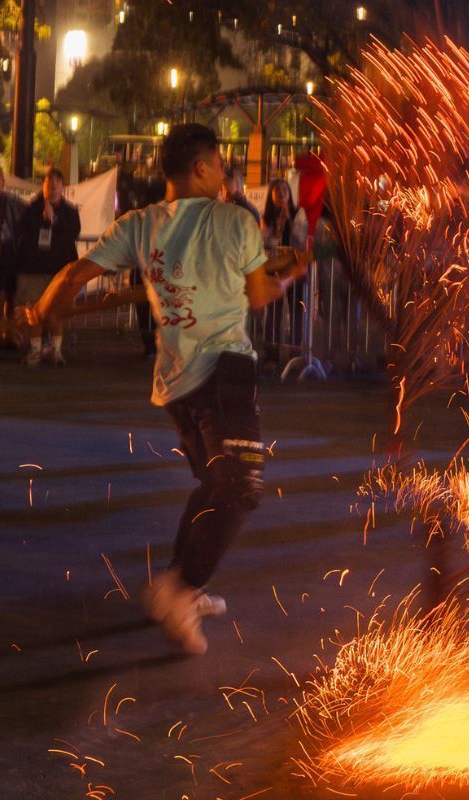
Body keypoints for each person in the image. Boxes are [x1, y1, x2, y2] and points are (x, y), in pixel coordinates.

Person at [25, 124, 308, 655]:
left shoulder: (139, 224)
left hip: (177, 380)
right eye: (221, 163)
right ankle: (180, 589)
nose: (226, 172)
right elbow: (260, 294)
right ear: (200, 168)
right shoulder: (234, 220)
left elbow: (74, 273)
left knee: (214, 483)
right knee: (240, 484)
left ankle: (182, 585)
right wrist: (288, 276)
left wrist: (44, 307)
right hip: (225, 368)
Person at [17, 168, 80, 366]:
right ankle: (35, 351)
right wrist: (42, 218)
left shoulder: (70, 211)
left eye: (56, 183)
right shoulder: (30, 209)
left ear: (62, 187)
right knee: (34, 310)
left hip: (59, 270)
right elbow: (23, 234)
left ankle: (56, 351)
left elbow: (73, 233)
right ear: (42, 185)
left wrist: (54, 220)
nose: (52, 187)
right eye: (48, 183)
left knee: (56, 311)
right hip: (34, 268)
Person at [260, 178, 309, 369]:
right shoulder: (267, 217)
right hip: (274, 270)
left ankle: (295, 353)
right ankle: (271, 354)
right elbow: (265, 241)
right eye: (277, 191)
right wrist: (277, 227)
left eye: (284, 190)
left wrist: (290, 220)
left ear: (290, 194)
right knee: (273, 311)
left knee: (296, 310)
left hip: (294, 270)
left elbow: (300, 239)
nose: (281, 194)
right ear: (271, 194)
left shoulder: (298, 214)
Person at [0, 167, 27, 345]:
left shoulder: (12, 201)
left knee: (11, 295)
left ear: (2, 181)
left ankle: (8, 332)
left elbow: (29, 215)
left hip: (11, 253)